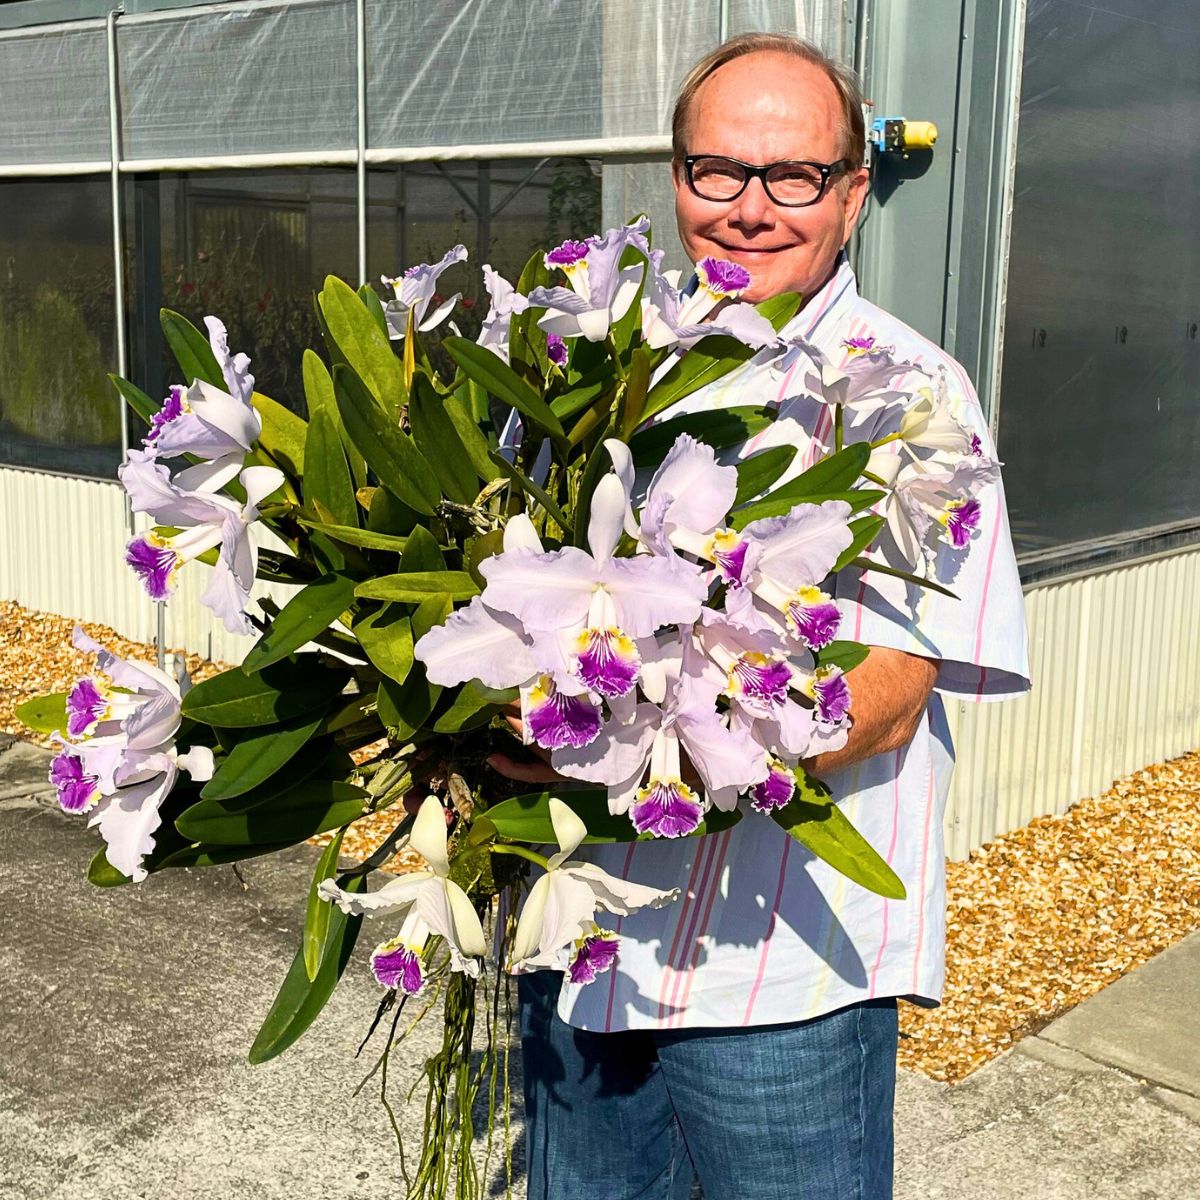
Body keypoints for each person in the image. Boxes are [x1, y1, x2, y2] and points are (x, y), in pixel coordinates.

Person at [494, 32, 1031, 1200]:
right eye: (716, 171)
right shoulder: (594, 359)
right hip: (581, 933)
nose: (749, 209)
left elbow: (892, 691)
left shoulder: (913, 395)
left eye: (792, 177)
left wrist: (674, 763)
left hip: (780, 972)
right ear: (677, 176)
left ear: (851, 194)